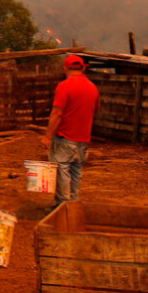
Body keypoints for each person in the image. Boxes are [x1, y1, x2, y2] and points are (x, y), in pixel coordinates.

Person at [41, 54, 100, 205]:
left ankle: (63, 206)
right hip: (83, 139)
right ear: (82, 68)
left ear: (65, 68)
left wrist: (48, 136)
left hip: (65, 138)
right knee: (76, 172)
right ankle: (74, 204)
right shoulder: (93, 88)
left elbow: (57, 113)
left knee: (62, 171)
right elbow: (96, 110)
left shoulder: (64, 86)